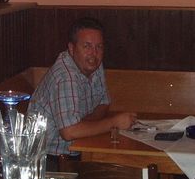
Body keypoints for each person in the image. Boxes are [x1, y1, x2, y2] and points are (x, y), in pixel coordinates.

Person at [28, 16, 136, 169]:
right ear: (72, 49)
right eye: (87, 46)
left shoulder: (93, 65)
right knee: (120, 175)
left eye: (99, 47)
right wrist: (114, 123)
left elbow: (104, 103)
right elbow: (69, 132)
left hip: (78, 150)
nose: (94, 53)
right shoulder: (66, 76)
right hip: (48, 162)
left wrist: (86, 126)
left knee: (125, 172)